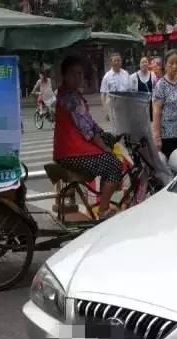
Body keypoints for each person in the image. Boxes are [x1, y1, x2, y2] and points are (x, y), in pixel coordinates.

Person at [54, 55, 122, 219]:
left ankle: (107, 193)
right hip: (72, 153)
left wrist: (106, 135)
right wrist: (106, 148)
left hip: (67, 150)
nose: (78, 78)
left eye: (80, 74)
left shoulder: (71, 94)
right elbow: (88, 132)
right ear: (64, 75)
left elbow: (90, 124)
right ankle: (104, 211)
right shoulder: (71, 98)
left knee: (108, 140)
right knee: (114, 164)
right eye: (73, 74)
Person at [152, 50, 177, 159]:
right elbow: (156, 112)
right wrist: (157, 137)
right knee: (169, 168)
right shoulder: (161, 85)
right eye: (171, 63)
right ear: (166, 65)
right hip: (167, 136)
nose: (175, 66)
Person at [100, 53, 130, 122]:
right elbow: (103, 95)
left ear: (121, 62)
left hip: (125, 107)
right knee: (116, 130)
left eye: (118, 60)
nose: (117, 62)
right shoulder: (107, 76)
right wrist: (106, 111)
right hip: (113, 108)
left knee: (126, 127)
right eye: (115, 61)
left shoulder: (126, 74)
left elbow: (130, 90)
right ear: (111, 62)